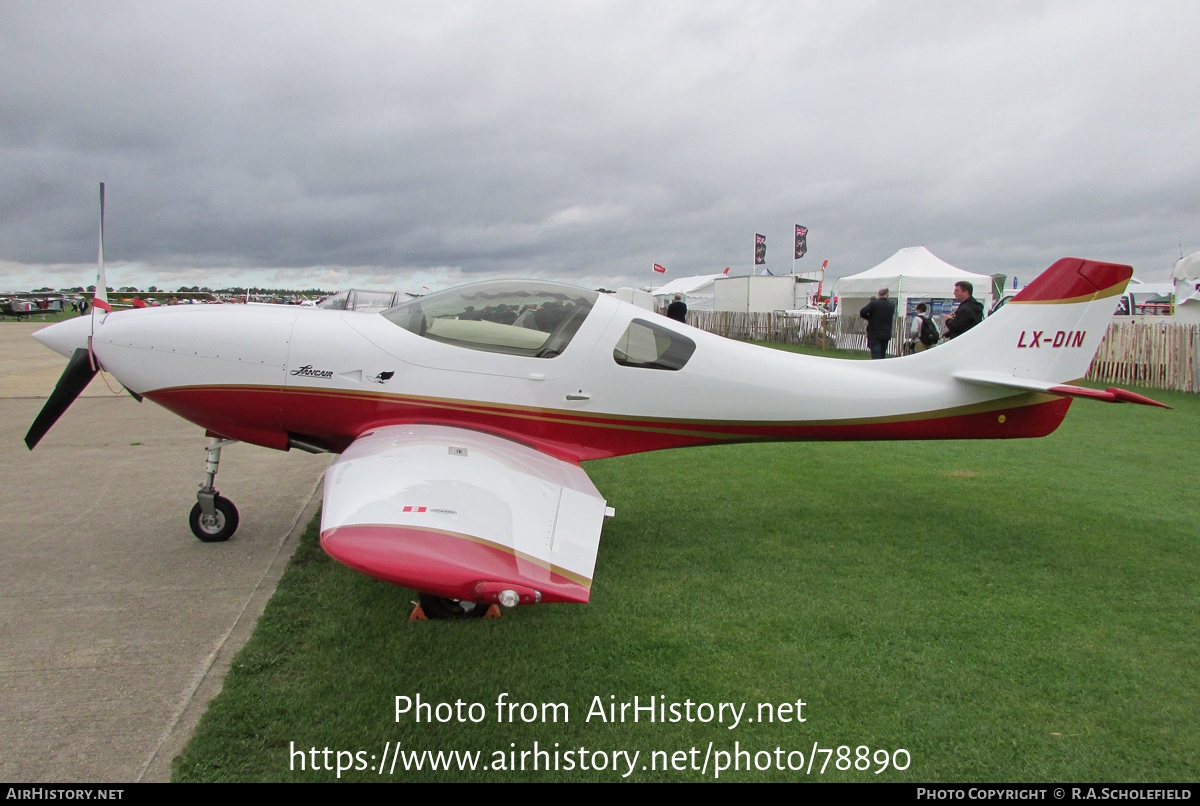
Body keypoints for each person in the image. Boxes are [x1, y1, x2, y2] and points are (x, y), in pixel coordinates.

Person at [859, 287, 896, 359]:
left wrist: (870, 318)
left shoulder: (873, 304)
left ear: (879, 294)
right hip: (886, 333)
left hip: (874, 333)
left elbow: (862, 312)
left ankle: (876, 367)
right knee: (882, 353)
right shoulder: (891, 305)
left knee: (876, 353)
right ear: (887, 295)